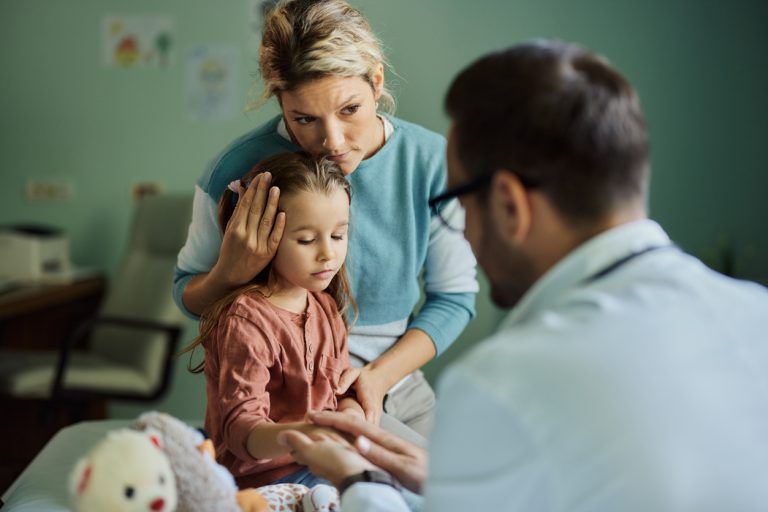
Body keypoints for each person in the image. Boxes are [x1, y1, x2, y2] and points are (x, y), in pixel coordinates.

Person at [277, 40, 768, 511]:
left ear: (509, 204)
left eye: (459, 204)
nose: (464, 231)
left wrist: (357, 480)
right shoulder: (756, 315)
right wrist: (446, 479)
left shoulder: (507, 382)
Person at [174, 0, 478, 438]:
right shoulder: (234, 171)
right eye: (304, 119)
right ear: (279, 102)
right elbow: (187, 290)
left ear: (376, 80)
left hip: (397, 385)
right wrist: (227, 273)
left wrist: (375, 378)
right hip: (289, 403)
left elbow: (454, 298)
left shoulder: (432, 163)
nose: (331, 141)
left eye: (349, 110)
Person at [179, 152, 365, 489]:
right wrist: (309, 437)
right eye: (306, 240)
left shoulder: (324, 308)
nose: (328, 253)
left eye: (338, 236)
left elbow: (341, 390)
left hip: (320, 465)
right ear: (267, 237)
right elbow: (242, 433)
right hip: (260, 481)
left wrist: (351, 416)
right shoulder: (247, 320)